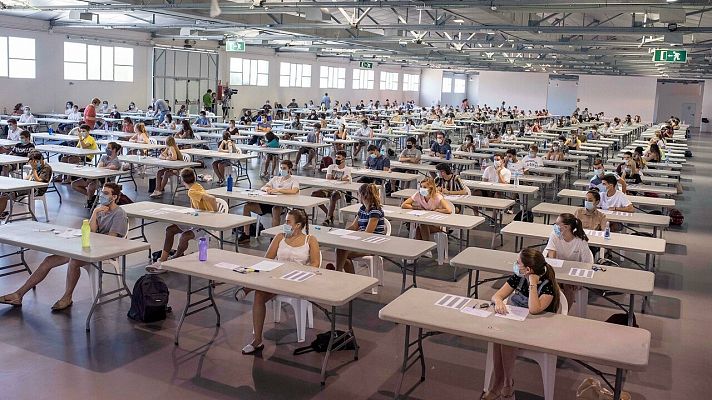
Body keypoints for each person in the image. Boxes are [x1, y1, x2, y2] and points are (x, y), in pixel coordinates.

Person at [0, 182, 127, 310]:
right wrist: (94, 212)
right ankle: (19, 294)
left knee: (74, 260)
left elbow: (111, 240)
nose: (101, 195)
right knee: (48, 260)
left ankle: (67, 297)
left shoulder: (119, 214)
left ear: (114, 197)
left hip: (104, 251)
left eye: (106, 193)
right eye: (102, 192)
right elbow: (91, 232)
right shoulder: (100, 210)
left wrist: (92, 239)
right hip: (89, 246)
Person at [237, 208, 320, 355]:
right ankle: (257, 340)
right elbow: (267, 259)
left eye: (288, 222)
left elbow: (315, 263)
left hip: (296, 280)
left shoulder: (310, 240)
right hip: (277, 278)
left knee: (261, 287)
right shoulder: (280, 237)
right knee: (259, 295)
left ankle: (246, 288)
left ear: (298, 225)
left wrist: (298, 272)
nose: (285, 224)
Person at [481, 247, 561, 400]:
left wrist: (532, 284)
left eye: (518, 263)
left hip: (536, 329)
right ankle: (500, 383)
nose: (516, 265)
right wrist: (498, 301)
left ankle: (506, 384)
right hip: (515, 323)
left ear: (528, 269)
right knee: (498, 337)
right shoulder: (518, 277)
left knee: (506, 340)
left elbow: (534, 308)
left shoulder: (547, 286)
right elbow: (498, 295)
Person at [147, 169, 217, 273]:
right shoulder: (196, 186)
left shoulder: (192, 191)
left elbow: (212, 199)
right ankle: (163, 259)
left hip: (203, 224)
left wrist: (216, 214)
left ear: (182, 180)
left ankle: (175, 257)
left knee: (185, 236)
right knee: (170, 230)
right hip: (195, 220)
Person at [238, 160, 299, 245]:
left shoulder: (293, 180)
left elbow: (294, 191)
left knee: (275, 209)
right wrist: (268, 189)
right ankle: (246, 234)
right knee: (247, 206)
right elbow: (264, 187)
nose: (282, 170)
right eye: (281, 168)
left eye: (284, 168)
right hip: (269, 202)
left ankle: (273, 237)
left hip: (282, 205)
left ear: (290, 169)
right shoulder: (275, 179)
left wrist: (278, 190)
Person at [544, 213, 594, 311]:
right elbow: (551, 256)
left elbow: (587, 264)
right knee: (553, 285)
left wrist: (577, 280)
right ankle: (553, 310)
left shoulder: (581, 241)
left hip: (574, 271)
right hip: (558, 270)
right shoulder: (555, 235)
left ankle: (565, 311)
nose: (554, 226)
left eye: (557, 224)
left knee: (569, 287)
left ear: (566, 227)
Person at [334, 183, 386, 273]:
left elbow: (367, 233)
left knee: (342, 252)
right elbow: (354, 226)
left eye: (358, 194)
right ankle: (346, 276)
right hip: (362, 241)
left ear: (362, 195)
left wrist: (353, 238)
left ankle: (337, 272)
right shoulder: (362, 208)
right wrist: (342, 232)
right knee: (341, 252)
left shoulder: (375, 211)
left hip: (373, 245)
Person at [0, 150, 51, 219]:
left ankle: (3, 212)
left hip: (37, 190)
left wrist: (34, 169)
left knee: (8, 194)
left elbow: (39, 181)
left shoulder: (46, 168)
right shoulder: (37, 166)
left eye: (34, 162)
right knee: (5, 193)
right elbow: (28, 177)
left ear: (40, 159)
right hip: (29, 186)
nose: (33, 164)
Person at [72, 141, 122, 208]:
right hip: (95, 176)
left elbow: (110, 169)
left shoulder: (117, 161)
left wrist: (104, 167)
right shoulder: (104, 157)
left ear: (114, 150)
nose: (106, 149)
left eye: (108, 148)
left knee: (90, 187)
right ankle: (93, 197)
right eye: (106, 148)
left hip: (106, 180)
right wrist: (106, 167)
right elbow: (99, 167)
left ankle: (90, 201)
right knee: (74, 184)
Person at [312, 151, 351, 225]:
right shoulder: (331, 166)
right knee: (314, 194)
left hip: (340, 190)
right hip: (328, 188)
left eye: (339, 157)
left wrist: (336, 178)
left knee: (334, 196)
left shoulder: (347, 169)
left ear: (343, 159)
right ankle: (329, 213)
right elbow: (328, 177)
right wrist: (340, 178)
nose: (336, 159)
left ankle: (328, 218)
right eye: (336, 157)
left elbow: (347, 179)